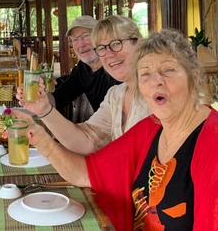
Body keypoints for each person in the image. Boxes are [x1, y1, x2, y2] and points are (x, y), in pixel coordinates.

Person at [9, 29, 218, 231]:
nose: (156, 81)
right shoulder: (151, 129)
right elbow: (85, 173)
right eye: (145, 73)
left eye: (168, 70)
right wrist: (39, 137)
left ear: (194, 77)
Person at [17, 15, 152, 154]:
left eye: (116, 43)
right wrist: (42, 105)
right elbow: (86, 138)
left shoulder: (153, 90)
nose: (80, 44)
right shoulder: (113, 91)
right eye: (75, 39)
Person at [49, 15, 120, 121]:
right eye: (75, 40)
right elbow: (58, 99)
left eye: (86, 36)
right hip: (103, 129)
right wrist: (39, 96)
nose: (81, 44)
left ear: (100, 36)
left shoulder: (115, 67)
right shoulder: (83, 69)